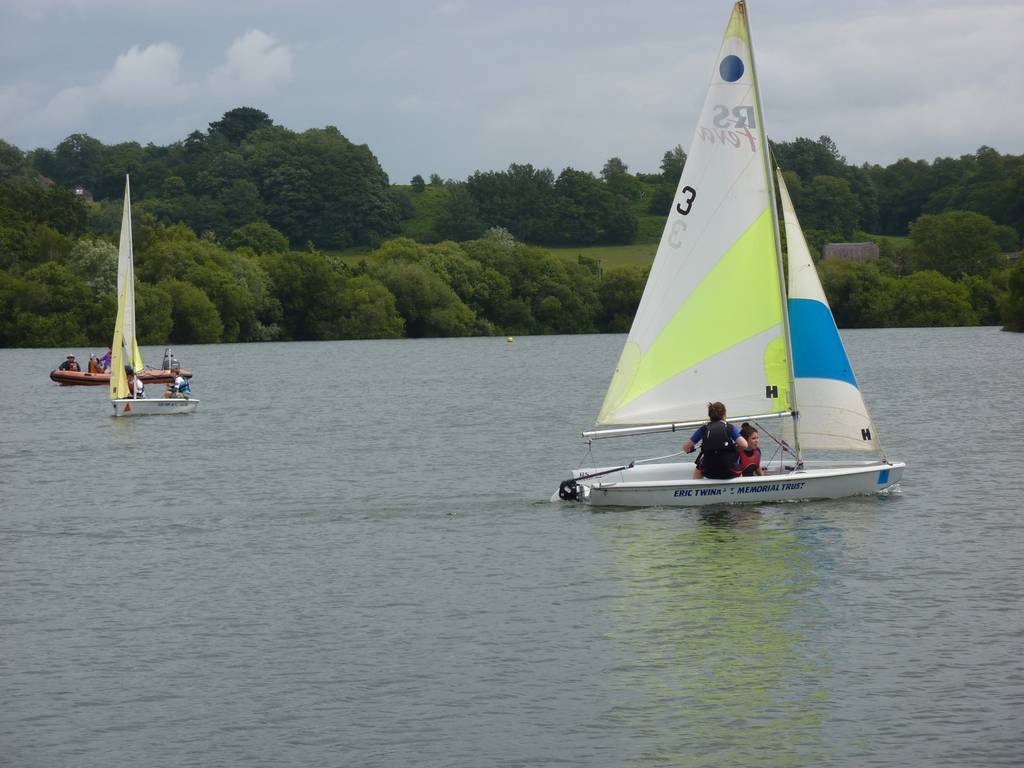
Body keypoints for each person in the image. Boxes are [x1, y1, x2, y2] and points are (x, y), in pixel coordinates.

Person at [682, 401, 747, 480]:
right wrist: (734, 448)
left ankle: (694, 488)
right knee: (737, 465)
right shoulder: (730, 428)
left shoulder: (703, 429)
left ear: (710, 416)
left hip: (708, 471)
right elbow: (744, 445)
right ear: (724, 415)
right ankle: (740, 488)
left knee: (699, 466)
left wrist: (692, 448)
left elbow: (686, 448)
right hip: (728, 471)